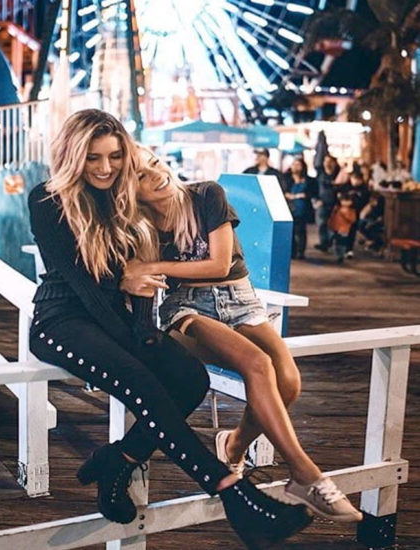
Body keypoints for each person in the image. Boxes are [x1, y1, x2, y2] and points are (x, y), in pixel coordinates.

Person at [28, 109, 312, 549]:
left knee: (190, 379)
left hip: (115, 319)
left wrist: (144, 331)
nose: (105, 168)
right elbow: (85, 286)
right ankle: (235, 495)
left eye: (115, 156)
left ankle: (118, 458)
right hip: (62, 319)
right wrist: (131, 324)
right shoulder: (47, 200)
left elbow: (145, 278)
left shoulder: (122, 201)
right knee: (144, 380)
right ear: (73, 157)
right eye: (93, 158)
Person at [123, 145, 363, 524]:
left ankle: (233, 444)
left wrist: (152, 266)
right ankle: (306, 475)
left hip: (240, 298)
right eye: (140, 175)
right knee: (257, 363)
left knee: (288, 383)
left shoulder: (206, 194)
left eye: (153, 163)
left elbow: (219, 265)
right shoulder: (140, 227)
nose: (156, 174)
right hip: (187, 307)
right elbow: (131, 277)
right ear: (130, 189)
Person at [282, 158, 316, 259]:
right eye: (294, 164)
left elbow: (312, 193)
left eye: (298, 165)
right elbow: (284, 191)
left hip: (302, 208)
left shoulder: (309, 180)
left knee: (301, 230)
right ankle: (293, 251)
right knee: (290, 231)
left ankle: (301, 251)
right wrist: (294, 196)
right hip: (289, 207)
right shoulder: (286, 179)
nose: (295, 167)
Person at [313, 154, 340, 252]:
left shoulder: (338, 174)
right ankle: (324, 243)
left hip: (335, 203)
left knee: (334, 225)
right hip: (322, 203)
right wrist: (316, 200)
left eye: (330, 161)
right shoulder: (320, 174)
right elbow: (315, 188)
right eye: (325, 161)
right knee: (321, 223)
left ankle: (330, 241)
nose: (327, 163)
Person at [327, 190, 358, 264]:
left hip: (344, 229)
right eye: (343, 200)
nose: (345, 202)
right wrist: (330, 224)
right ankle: (338, 253)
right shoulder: (337, 208)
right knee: (337, 241)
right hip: (336, 227)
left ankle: (340, 255)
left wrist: (345, 215)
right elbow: (332, 217)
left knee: (342, 242)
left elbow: (353, 219)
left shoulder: (351, 210)